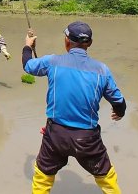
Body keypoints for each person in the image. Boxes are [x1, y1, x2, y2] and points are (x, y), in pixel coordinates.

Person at [22, 21, 127, 194]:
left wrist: (28, 46)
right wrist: (119, 112)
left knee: (42, 177)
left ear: (66, 41)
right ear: (90, 43)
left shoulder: (52, 61)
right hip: (87, 138)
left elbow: (28, 65)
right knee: (107, 178)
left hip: (56, 135)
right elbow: (118, 101)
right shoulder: (102, 70)